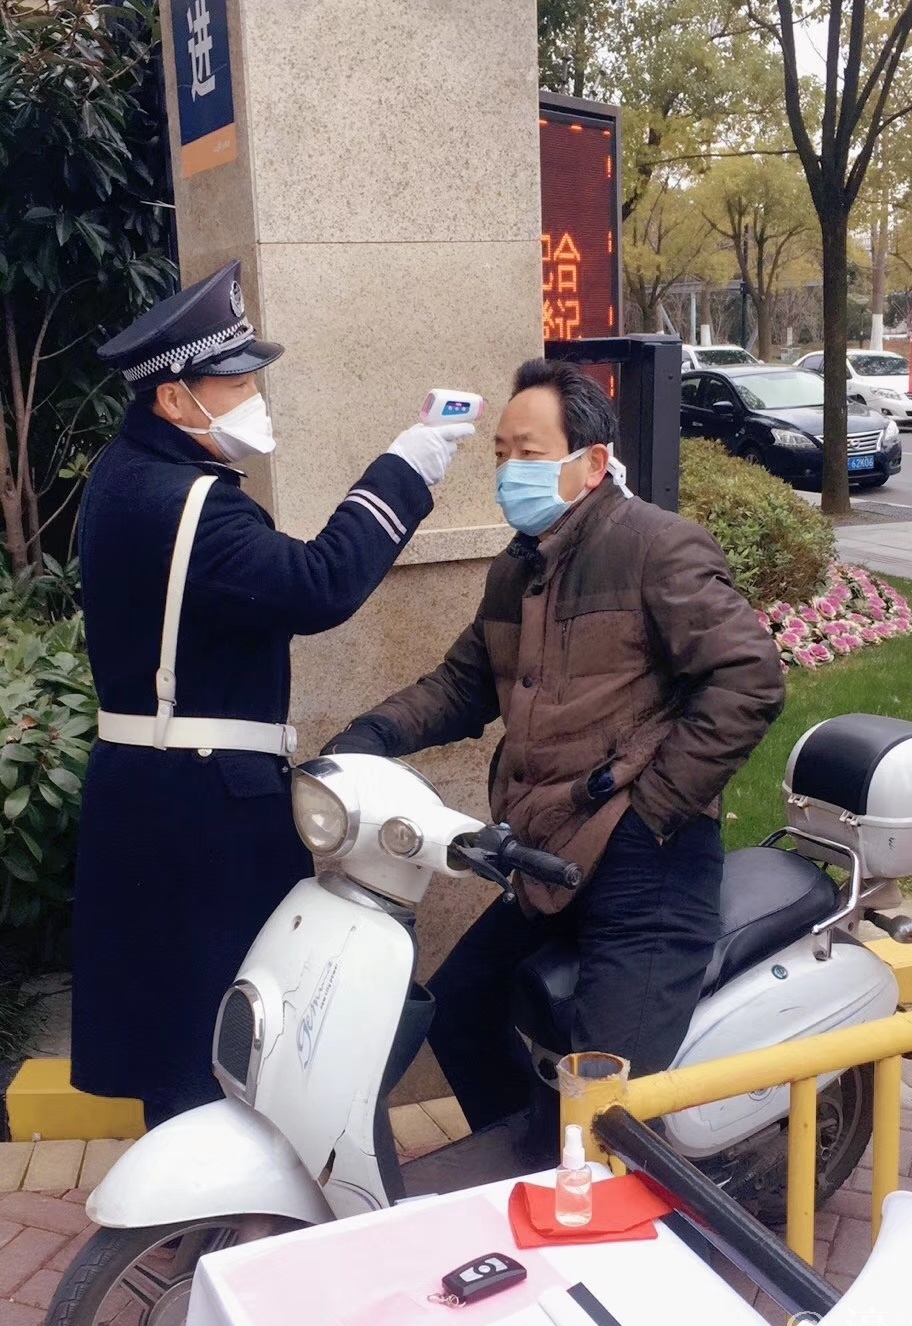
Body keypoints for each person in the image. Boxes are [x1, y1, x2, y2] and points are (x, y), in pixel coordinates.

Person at [325, 358, 785, 1134]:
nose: (509, 471)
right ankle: (535, 1161)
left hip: (648, 867)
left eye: (529, 453)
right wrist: (368, 740)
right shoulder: (520, 568)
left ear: (593, 463)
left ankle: (600, 1185)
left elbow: (750, 676)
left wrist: (653, 809)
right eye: (501, 453)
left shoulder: (655, 546)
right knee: (460, 1010)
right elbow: (463, 685)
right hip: (549, 854)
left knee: (604, 1101)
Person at [70, 260, 473, 1126]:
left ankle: (193, 1196)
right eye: (238, 383)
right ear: (174, 399)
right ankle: (216, 1202)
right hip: (201, 808)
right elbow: (319, 584)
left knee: (177, 1033)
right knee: (217, 1034)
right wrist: (407, 467)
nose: (255, 398)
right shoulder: (190, 505)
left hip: (151, 791)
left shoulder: (125, 478)